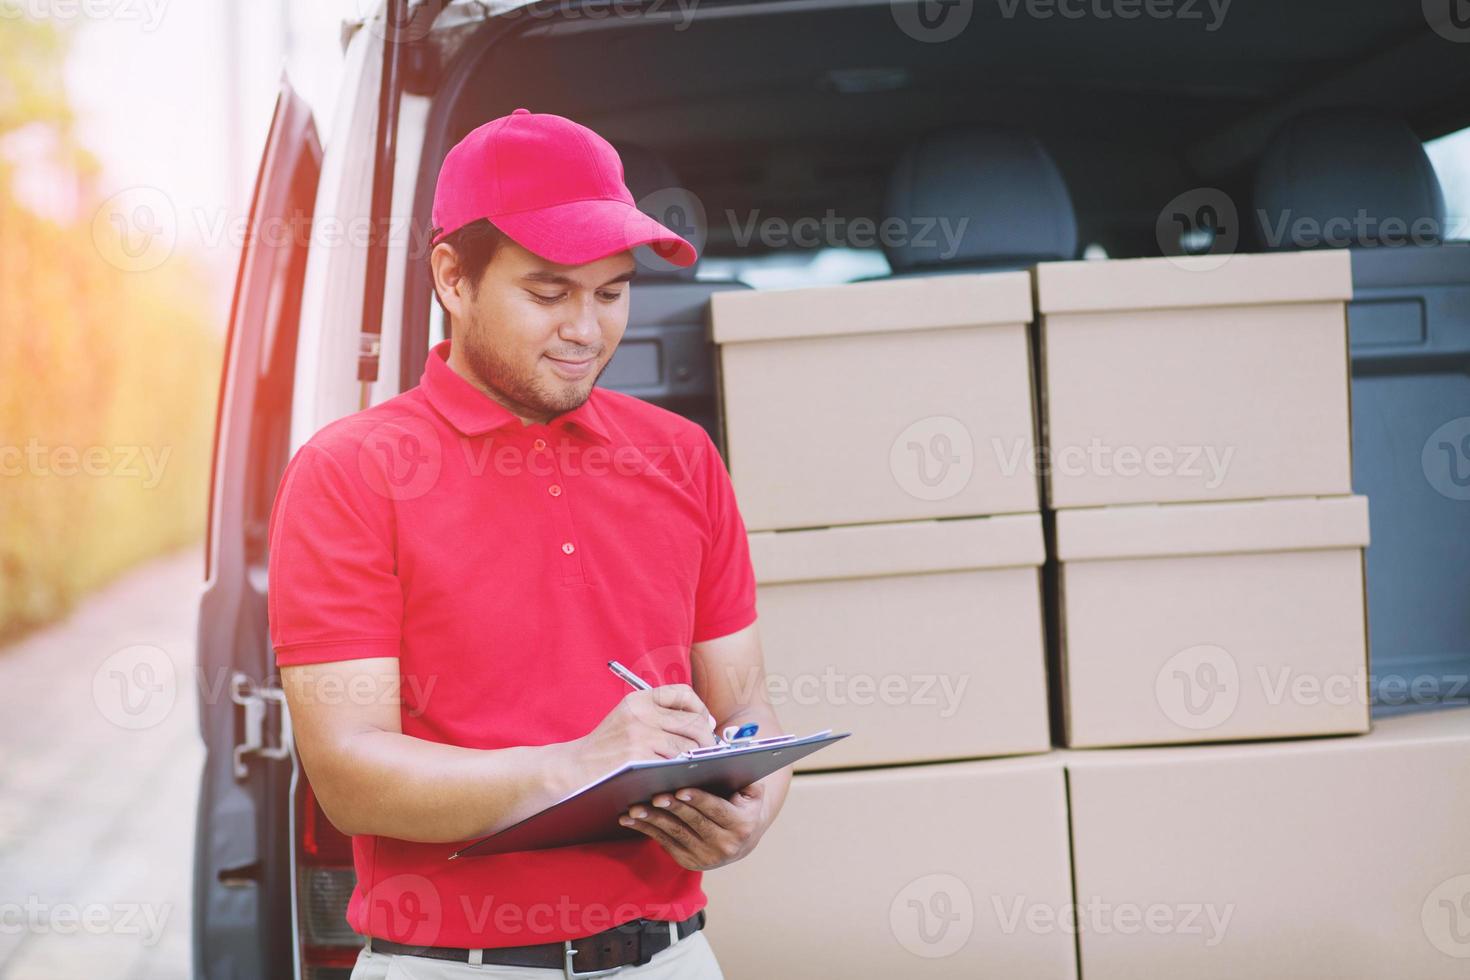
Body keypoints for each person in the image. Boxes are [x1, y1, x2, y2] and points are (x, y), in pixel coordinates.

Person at [266, 107, 788, 979]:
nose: (586, 330)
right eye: (548, 292)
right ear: (453, 279)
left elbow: (749, 710)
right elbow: (347, 773)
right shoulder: (350, 474)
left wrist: (753, 808)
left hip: (670, 959)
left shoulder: (682, 458)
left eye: (612, 292)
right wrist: (578, 765)